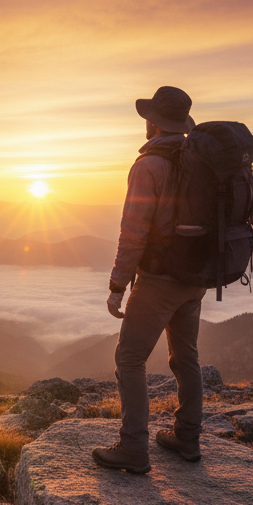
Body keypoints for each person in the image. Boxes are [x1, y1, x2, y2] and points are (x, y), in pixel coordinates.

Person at [92, 85, 209, 474]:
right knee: (186, 356)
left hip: (159, 278)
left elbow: (134, 233)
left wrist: (116, 286)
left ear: (153, 122)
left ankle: (133, 449)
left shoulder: (149, 166)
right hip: (198, 276)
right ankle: (187, 438)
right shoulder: (202, 160)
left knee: (129, 359)